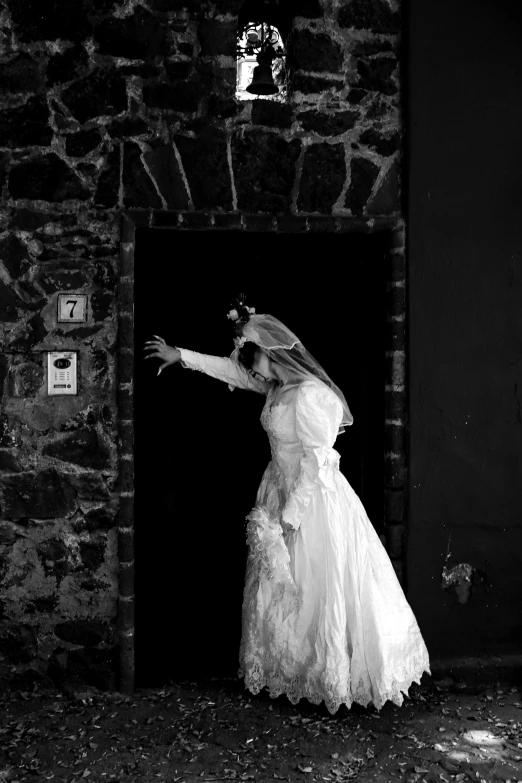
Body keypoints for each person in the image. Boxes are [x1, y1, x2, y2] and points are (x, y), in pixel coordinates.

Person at [143, 302, 430, 714]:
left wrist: (290, 516)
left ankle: (332, 676)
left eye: (253, 357)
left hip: (311, 498)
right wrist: (181, 356)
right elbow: (231, 372)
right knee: (280, 585)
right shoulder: (275, 387)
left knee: (315, 583)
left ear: (273, 354)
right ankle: (286, 672)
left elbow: (318, 462)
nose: (250, 367)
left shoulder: (311, 395)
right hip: (277, 486)